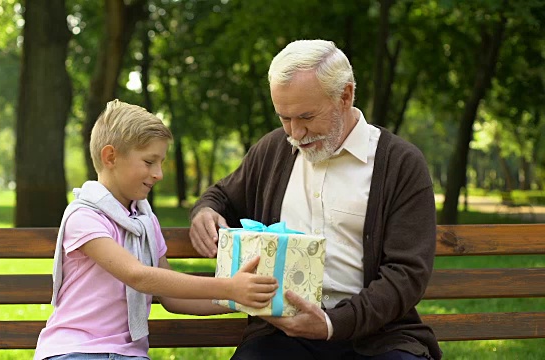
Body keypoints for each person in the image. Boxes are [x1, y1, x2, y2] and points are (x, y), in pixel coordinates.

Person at [189, 40, 442, 359]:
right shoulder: (273, 150)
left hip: (378, 335)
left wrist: (332, 323)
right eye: (284, 118)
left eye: (307, 116)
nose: (295, 132)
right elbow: (222, 195)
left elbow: (407, 274)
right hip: (282, 333)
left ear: (345, 95)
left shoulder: (400, 163)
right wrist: (205, 210)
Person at [34, 99, 278, 360]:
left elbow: (172, 298)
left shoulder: (145, 221)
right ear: (110, 157)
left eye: (161, 162)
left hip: (130, 356)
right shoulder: (85, 217)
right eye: (150, 162)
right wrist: (228, 287)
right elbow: (137, 275)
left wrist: (242, 299)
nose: (159, 173)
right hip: (75, 350)